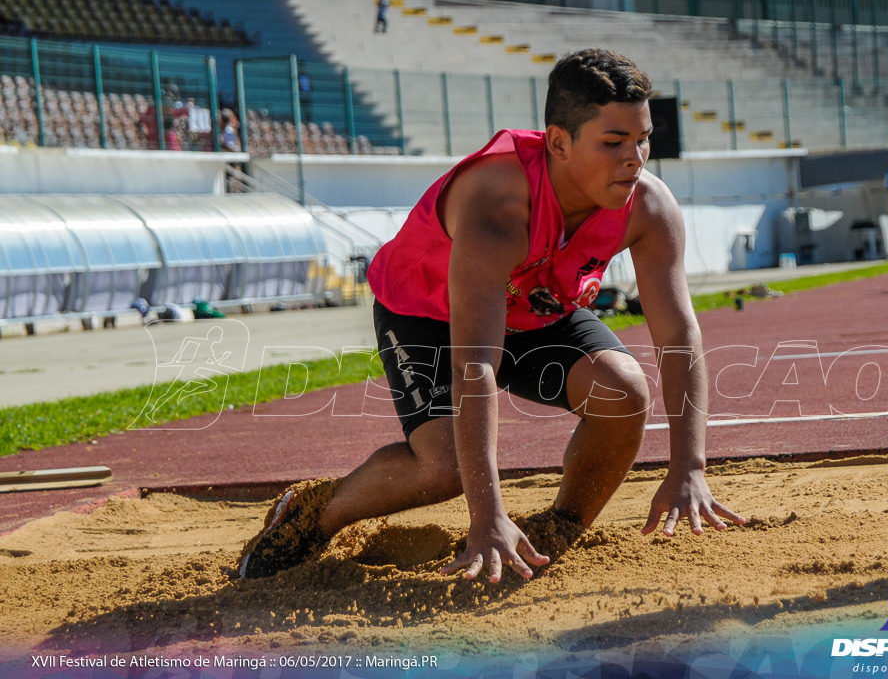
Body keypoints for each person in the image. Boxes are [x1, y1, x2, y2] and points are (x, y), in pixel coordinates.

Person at [237, 49, 746, 582]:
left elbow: (678, 333)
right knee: (446, 468)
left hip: (533, 308)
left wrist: (689, 466)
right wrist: (487, 517)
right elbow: (474, 363)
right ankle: (315, 514)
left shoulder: (649, 206)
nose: (635, 158)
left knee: (623, 392)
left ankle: (558, 531)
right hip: (429, 312)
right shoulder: (498, 206)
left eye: (643, 139)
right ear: (558, 142)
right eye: (614, 143)